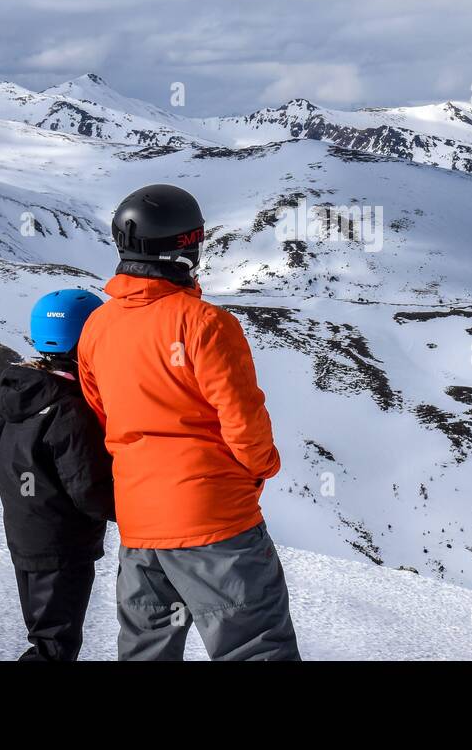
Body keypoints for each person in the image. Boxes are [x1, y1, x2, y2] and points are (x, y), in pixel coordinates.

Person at [77, 183, 300, 661]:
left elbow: (103, 416)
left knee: (146, 652)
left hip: (139, 525)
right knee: (256, 648)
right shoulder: (206, 323)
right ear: (188, 246)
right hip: (214, 521)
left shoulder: (97, 326)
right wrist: (260, 469)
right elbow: (243, 422)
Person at [0, 289, 115, 661]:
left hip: (29, 536)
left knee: (45, 639)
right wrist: (136, 512)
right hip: (62, 544)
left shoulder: (23, 394)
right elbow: (87, 488)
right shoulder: (69, 407)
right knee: (53, 647)